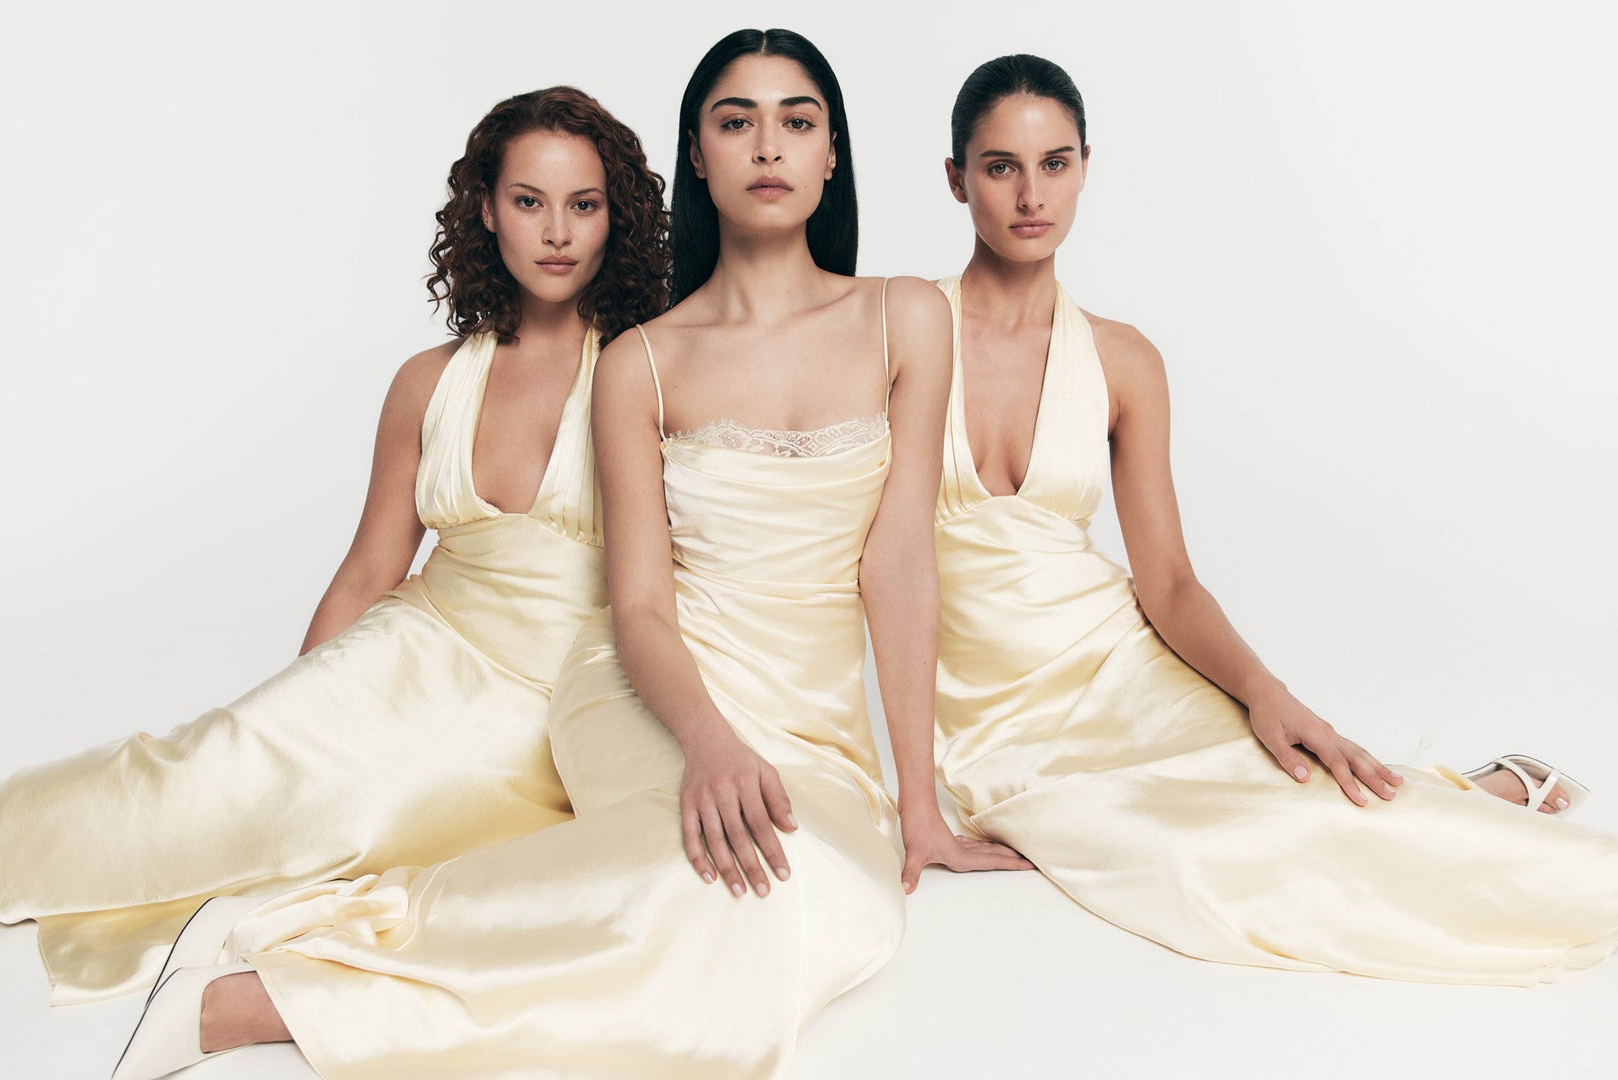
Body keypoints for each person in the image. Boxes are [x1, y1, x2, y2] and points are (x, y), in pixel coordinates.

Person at [109, 28, 1026, 1080]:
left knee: (823, 906)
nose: (769, 146)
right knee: (724, 883)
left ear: (831, 154)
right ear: (698, 156)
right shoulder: (640, 361)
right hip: (652, 691)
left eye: (798, 121)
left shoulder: (908, 318)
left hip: (816, 729)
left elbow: (898, 563)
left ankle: (322, 948)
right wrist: (709, 743)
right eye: (737, 122)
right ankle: (263, 999)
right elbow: (637, 606)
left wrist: (920, 807)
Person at [0, 85, 671, 1003]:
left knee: (367, 817)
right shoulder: (429, 382)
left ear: (615, 218)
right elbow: (369, 568)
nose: (557, 233)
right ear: (485, 209)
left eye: (583, 205)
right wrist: (295, 711)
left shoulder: (651, 370)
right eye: (529, 201)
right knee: (202, 770)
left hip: (551, 705)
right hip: (413, 649)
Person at [926, 52, 1618, 983]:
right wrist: (908, 793)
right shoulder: (900, 333)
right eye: (1000, 167)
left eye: (1056, 163)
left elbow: (1170, 582)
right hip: (1001, 730)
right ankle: (1475, 796)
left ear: (1086, 168)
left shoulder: (1122, 360)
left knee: (1324, 805)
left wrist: (1268, 694)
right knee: (1210, 863)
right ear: (957, 179)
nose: (1031, 195)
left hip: (1123, 670)